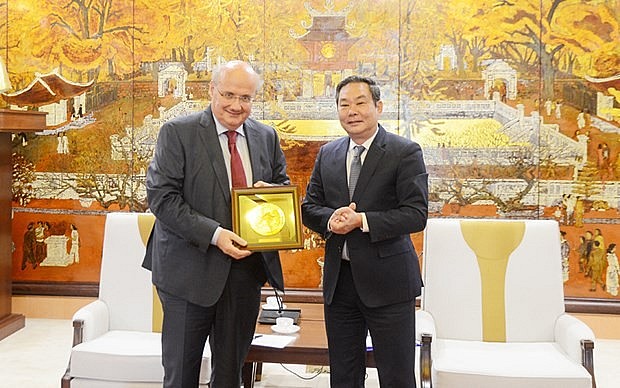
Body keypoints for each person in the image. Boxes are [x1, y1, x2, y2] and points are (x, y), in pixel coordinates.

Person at [143, 60, 290, 388]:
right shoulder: (177, 133)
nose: (237, 105)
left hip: (244, 275)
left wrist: (275, 195)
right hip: (187, 272)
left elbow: (282, 185)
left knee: (230, 376)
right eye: (229, 95)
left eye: (246, 98)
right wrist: (215, 234)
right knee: (181, 374)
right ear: (211, 91)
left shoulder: (266, 136)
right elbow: (162, 199)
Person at [302, 75, 428, 387]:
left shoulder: (404, 152)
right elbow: (309, 207)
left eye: (360, 103)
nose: (352, 111)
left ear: (378, 106)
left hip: (389, 284)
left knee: (396, 376)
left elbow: (416, 214)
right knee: (343, 376)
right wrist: (332, 219)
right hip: (339, 283)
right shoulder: (328, 154)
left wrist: (363, 220)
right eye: (344, 104)